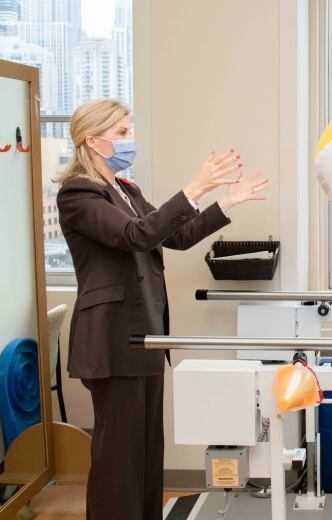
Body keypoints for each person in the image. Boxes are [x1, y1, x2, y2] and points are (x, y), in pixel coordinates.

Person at [55, 99, 269, 520]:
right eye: (120, 132)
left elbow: (178, 236)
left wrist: (226, 203)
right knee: (119, 455)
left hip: (147, 334)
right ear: (91, 139)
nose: (128, 138)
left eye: (128, 128)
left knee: (147, 449)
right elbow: (137, 236)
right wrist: (197, 186)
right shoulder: (78, 194)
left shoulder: (126, 189)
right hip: (111, 338)